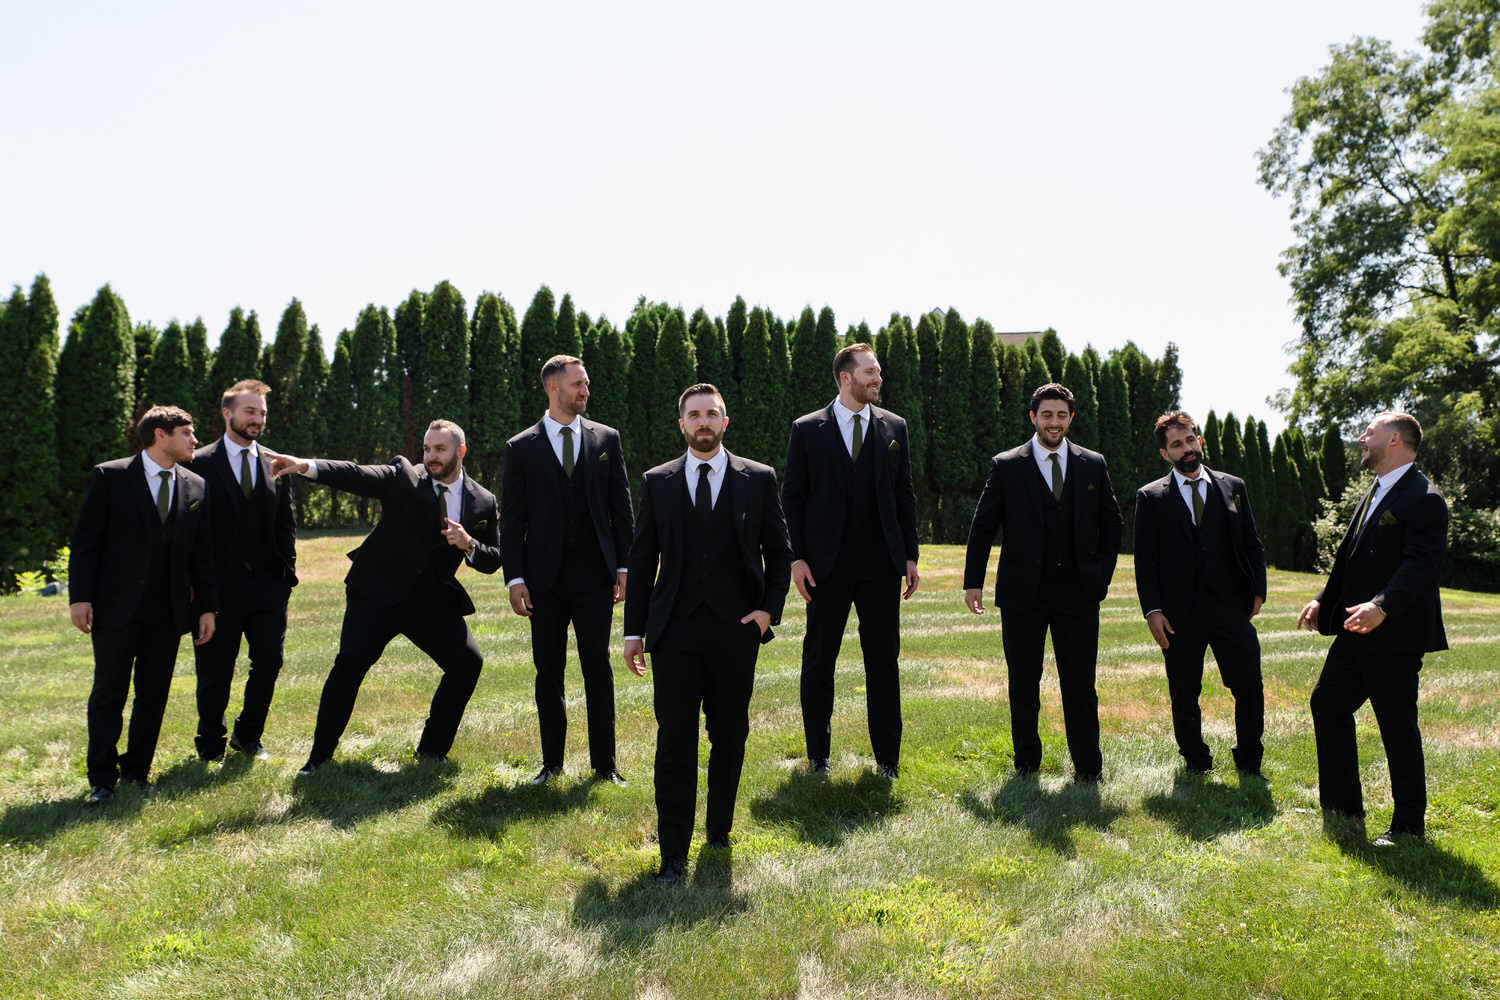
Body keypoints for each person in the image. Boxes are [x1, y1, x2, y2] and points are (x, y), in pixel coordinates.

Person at [623, 384, 791, 886]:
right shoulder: (658, 481)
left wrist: (766, 612)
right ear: (681, 424)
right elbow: (642, 558)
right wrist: (634, 632)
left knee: (729, 734)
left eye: (711, 414)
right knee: (675, 739)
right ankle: (672, 853)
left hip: (735, 630)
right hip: (673, 630)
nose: (703, 422)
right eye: (694, 415)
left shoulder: (757, 478)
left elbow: (780, 552)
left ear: (724, 422)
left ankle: (718, 832)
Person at [269, 419, 501, 774]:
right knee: (349, 664)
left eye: (440, 449)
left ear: (460, 451)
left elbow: (493, 560)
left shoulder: (483, 501)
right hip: (376, 593)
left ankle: (432, 751)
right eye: (427, 449)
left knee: (467, 663)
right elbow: (356, 474)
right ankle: (318, 758)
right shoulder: (405, 476)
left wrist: (469, 543)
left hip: (431, 600)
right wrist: (305, 466)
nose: (431, 456)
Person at [1297, 412, 1447, 846]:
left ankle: (1407, 828)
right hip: (1353, 631)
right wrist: (1324, 600)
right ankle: (1343, 806)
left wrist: (1383, 606)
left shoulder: (1424, 497)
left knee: (1396, 726)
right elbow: (1352, 558)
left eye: (1370, 432)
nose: (1361, 438)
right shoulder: (1377, 490)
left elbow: (1420, 566)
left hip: (1394, 635)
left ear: (1395, 439)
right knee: (1328, 705)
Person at [962, 382, 1123, 782]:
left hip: (1078, 592)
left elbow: (1112, 523)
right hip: (1022, 593)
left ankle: (1088, 769)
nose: (1055, 421)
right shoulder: (1007, 465)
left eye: (1062, 414)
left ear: (1071, 419)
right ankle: (1026, 765)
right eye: (1047, 414)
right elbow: (983, 527)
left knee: (1081, 684)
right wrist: (973, 582)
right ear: (1033, 417)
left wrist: (1100, 576)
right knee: (1023, 683)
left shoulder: (1092, 464)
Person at [68, 405, 219, 803]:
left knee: (154, 693)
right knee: (110, 692)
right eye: (186, 433)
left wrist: (207, 607)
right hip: (116, 607)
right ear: (160, 435)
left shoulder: (196, 486)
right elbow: (87, 542)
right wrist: (80, 597)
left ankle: (136, 770)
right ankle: (102, 779)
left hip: (168, 612)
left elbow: (202, 555)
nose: (194, 441)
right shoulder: (110, 476)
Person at [782, 343, 919, 779]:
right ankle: (818, 754)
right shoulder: (807, 429)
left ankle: (887, 760)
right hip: (825, 564)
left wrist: (910, 555)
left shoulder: (894, 426)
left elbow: (904, 496)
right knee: (819, 658)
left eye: (877, 373)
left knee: (883, 659)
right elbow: (793, 499)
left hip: (880, 564)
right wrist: (797, 559)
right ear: (846, 377)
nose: (878, 379)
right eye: (871, 373)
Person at [502, 355, 632, 785]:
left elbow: (621, 509)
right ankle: (552, 764)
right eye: (578, 384)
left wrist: (624, 565)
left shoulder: (606, 439)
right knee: (548, 670)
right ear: (553, 388)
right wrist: (515, 577)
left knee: (598, 665)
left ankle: (605, 766)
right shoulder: (521, 447)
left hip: (595, 575)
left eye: (587, 384)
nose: (585, 391)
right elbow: (513, 520)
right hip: (542, 581)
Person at [1133, 411, 1266, 776]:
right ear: (1166, 454)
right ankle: (1196, 760)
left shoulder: (1232, 486)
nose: (1186, 448)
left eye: (1190, 439)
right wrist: (1153, 610)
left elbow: (1252, 544)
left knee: (1249, 684)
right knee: (1184, 692)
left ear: (1199, 440)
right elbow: (1145, 561)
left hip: (1229, 604)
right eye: (1176, 444)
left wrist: (1258, 592)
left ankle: (1250, 760)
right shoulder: (1151, 497)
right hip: (1178, 613)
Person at [186, 379, 297, 762]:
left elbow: (286, 524)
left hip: (268, 585)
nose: (258, 419)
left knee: (269, 660)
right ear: (227, 413)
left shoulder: (276, 463)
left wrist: (288, 576)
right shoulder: (197, 463)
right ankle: (210, 743)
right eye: (250, 411)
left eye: (262, 413)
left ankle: (248, 736)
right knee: (215, 669)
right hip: (217, 587)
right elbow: (188, 532)